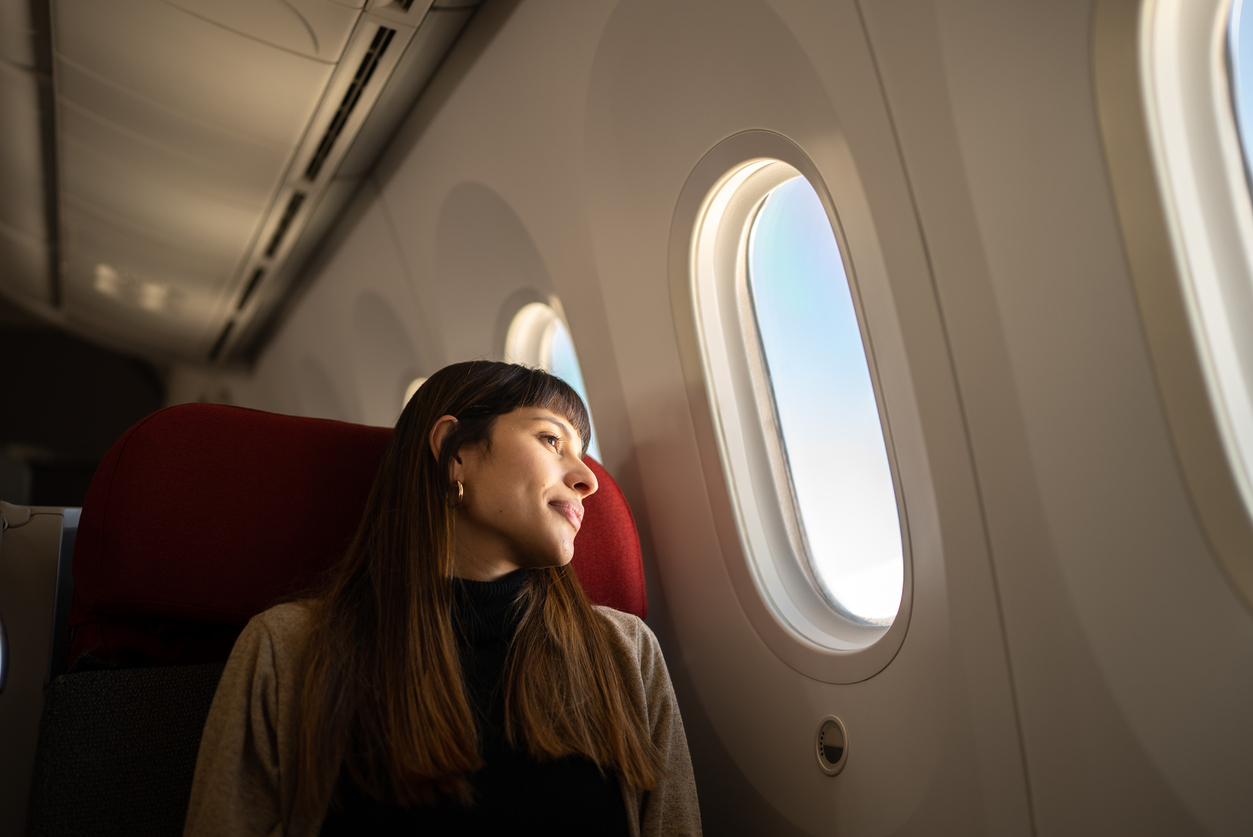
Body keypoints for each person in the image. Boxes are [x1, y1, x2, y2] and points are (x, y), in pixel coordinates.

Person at [184, 360, 701, 836]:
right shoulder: (289, 650)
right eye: (551, 439)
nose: (589, 480)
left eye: (582, 453)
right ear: (456, 453)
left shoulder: (626, 652)